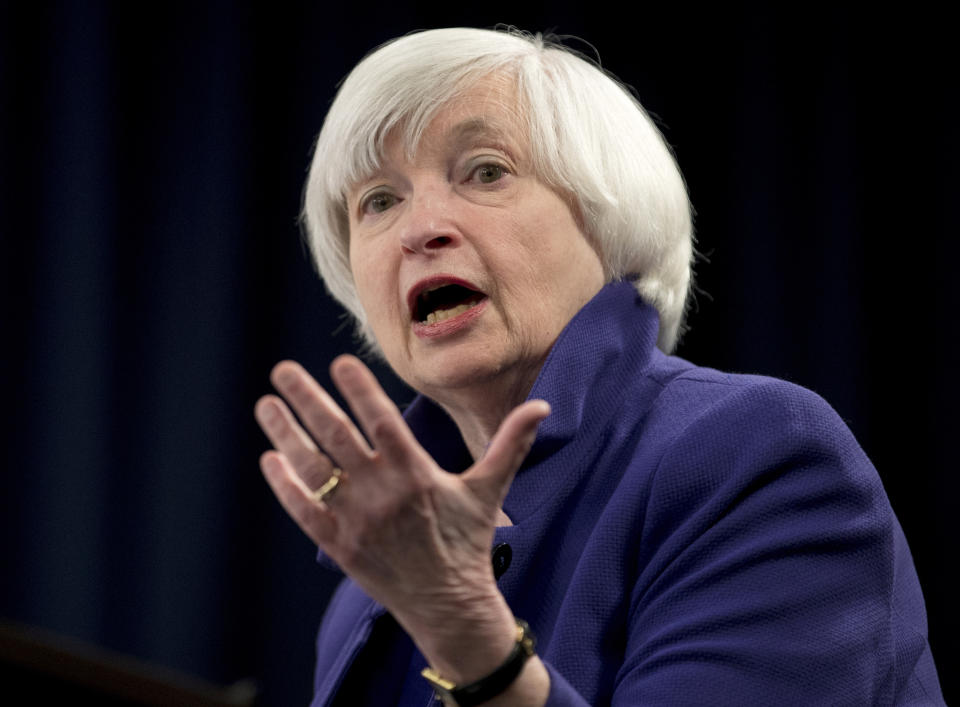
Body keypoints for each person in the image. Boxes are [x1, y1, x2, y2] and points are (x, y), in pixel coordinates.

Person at [254, 27, 944, 706]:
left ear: (611, 220)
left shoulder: (757, 452)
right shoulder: (367, 591)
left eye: (486, 170)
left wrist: (471, 644)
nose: (418, 228)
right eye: (379, 200)